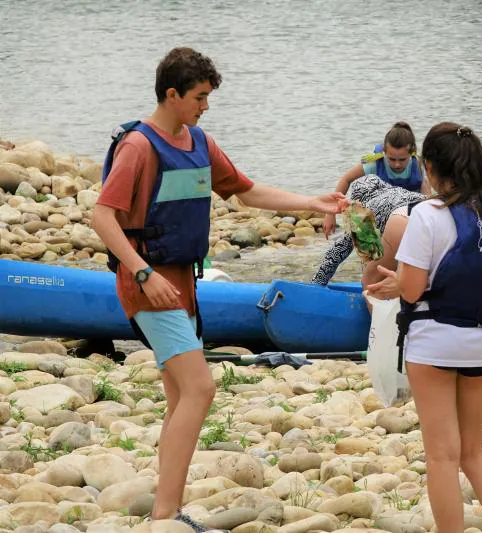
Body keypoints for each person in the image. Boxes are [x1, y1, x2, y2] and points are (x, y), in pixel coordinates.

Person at [92, 47, 347, 531]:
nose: (205, 106)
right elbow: (102, 216)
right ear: (172, 94)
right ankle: (167, 513)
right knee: (201, 389)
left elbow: (246, 191)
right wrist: (143, 273)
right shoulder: (139, 147)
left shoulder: (199, 141)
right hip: (147, 284)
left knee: (179, 395)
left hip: (183, 283)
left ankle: (165, 508)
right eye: (199, 97)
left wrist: (313, 203)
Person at [372, 123, 482, 533]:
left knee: (442, 455)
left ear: (433, 169)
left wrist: (395, 286)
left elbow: (414, 288)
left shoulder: (427, 215)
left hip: (436, 341)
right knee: (474, 450)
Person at [311, 174, 425, 285]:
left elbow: (337, 251)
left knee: (370, 279)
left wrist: (317, 284)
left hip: (402, 220)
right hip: (427, 212)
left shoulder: (365, 208)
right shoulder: (400, 191)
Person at [323, 122, 431, 237]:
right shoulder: (375, 164)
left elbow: (428, 203)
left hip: (406, 217)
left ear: (411, 153)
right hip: (380, 216)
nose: (397, 164)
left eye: (402, 159)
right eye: (392, 159)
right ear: (384, 152)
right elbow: (346, 179)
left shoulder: (419, 166)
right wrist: (330, 214)